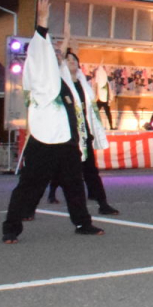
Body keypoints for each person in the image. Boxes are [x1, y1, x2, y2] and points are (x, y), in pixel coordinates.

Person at [1, 0, 103, 243]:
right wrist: (42, 23)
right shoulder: (42, 79)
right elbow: (41, 54)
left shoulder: (63, 78)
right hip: (44, 140)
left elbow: (59, 59)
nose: (60, 56)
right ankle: (11, 228)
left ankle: (82, 223)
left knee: (74, 185)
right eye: (56, 54)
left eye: (62, 55)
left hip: (66, 140)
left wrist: (66, 41)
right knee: (28, 185)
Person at [46, 42, 120, 215]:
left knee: (91, 172)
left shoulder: (83, 85)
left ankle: (103, 203)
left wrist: (91, 132)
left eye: (74, 60)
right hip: (67, 136)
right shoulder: (60, 84)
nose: (71, 62)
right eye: (68, 60)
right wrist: (63, 47)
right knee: (60, 171)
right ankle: (40, 200)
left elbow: (90, 111)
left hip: (84, 134)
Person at [93, 64, 113, 130]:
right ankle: (93, 126)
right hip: (99, 99)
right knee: (95, 112)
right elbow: (95, 88)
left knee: (108, 113)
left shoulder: (106, 82)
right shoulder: (96, 81)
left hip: (105, 99)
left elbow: (109, 90)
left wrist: (109, 99)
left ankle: (111, 126)